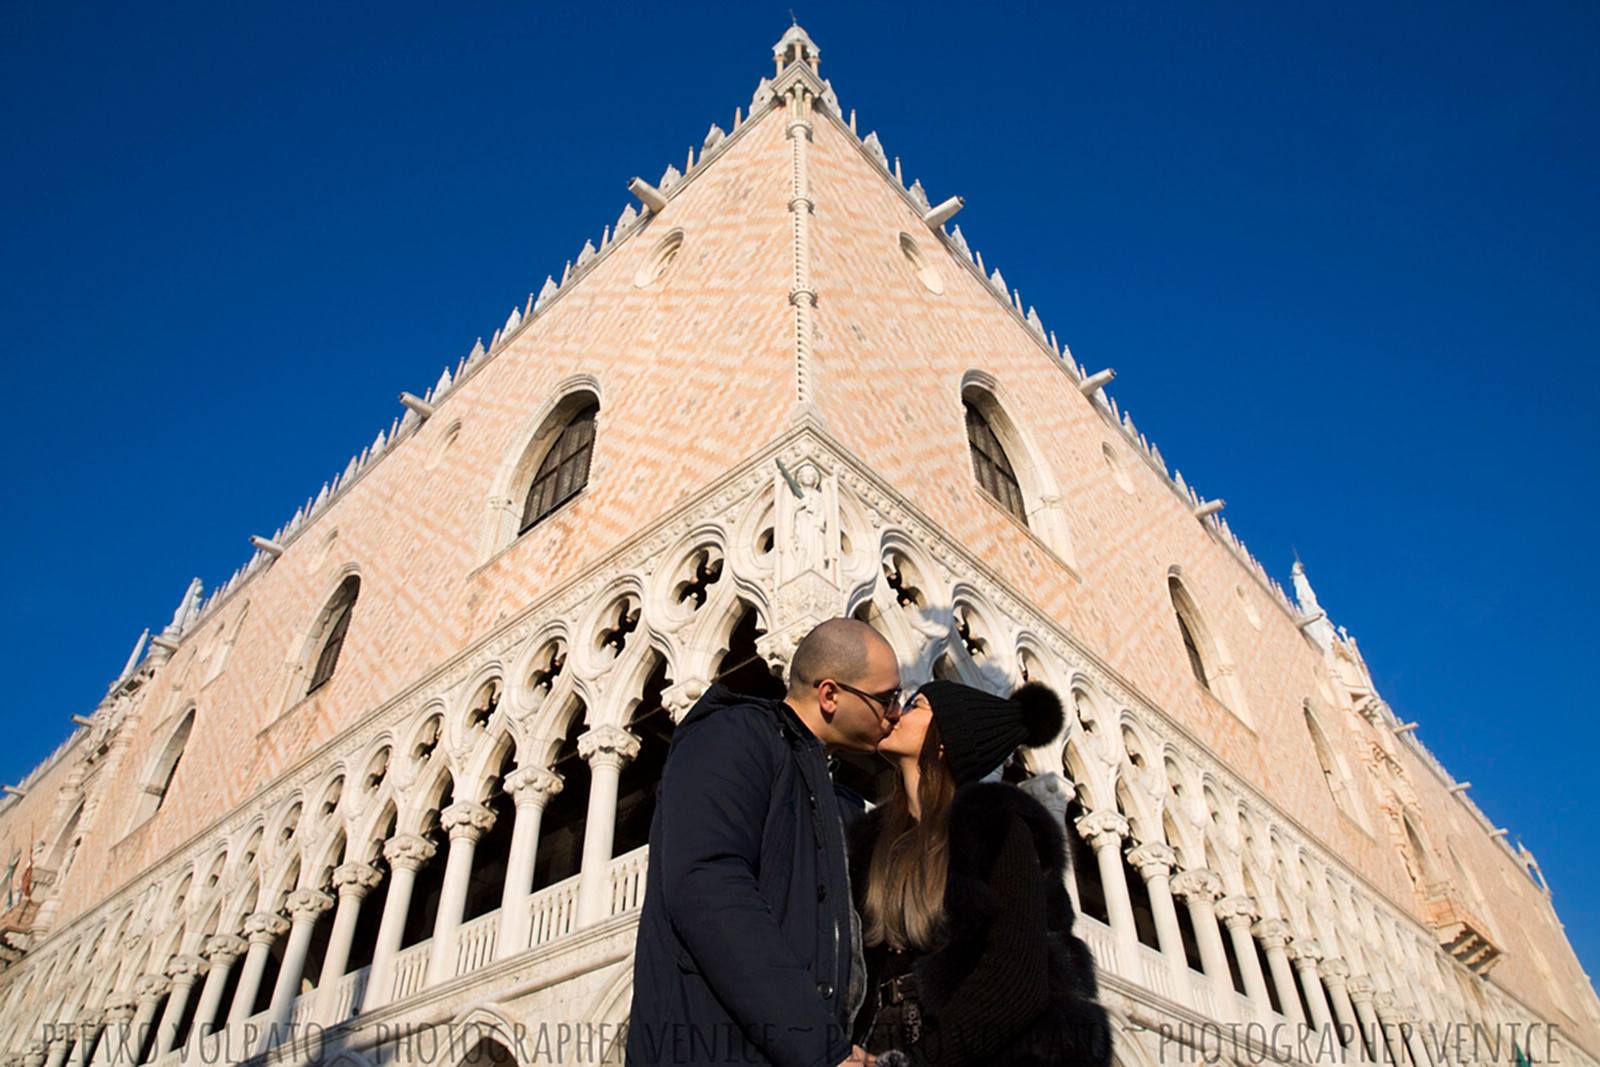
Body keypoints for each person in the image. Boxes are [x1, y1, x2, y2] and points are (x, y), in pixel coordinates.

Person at [627, 617, 904, 1067]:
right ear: (830, 695)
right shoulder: (734, 736)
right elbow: (709, 887)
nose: (895, 712)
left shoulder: (832, 796)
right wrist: (821, 1050)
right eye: (886, 698)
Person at [848, 680, 1112, 1066]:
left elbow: (1016, 974)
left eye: (916, 706)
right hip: (881, 1036)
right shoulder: (876, 842)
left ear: (944, 738)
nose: (897, 713)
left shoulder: (998, 829)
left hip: (971, 1047)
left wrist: (920, 1061)